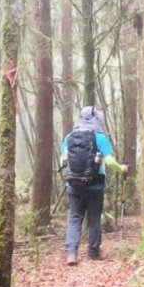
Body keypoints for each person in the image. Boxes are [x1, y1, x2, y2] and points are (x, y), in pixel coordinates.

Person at [60, 107, 128, 265]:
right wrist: (122, 168)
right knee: (94, 218)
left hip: (73, 185)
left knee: (75, 218)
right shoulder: (99, 138)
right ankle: (93, 252)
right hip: (95, 186)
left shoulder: (69, 137)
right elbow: (109, 161)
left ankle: (71, 254)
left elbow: (63, 161)